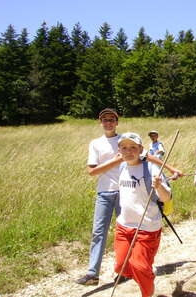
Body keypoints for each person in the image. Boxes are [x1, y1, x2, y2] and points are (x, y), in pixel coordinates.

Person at [114, 132, 183, 297]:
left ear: (141, 149)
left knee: (139, 266)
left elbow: (167, 197)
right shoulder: (122, 167)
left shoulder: (151, 168)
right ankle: (144, 275)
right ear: (119, 151)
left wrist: (159, 186)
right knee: (120, 267)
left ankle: (147, 290)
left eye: (133, 147)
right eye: (124, 147)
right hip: (123, 226)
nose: (128, 151)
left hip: (147, 228)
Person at [76, 108, 124, 286]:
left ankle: (124, 270)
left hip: (124, 192)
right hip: (104, 192)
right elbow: (92, 171)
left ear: (117, 122)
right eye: (105, 120)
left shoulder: (124, 140)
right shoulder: (95, 143)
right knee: (98, 232)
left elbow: (141, 159)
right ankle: (92, 274)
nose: (108, 123)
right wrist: (115, 161)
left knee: (124, 233)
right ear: (100, 122)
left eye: (112, 119)